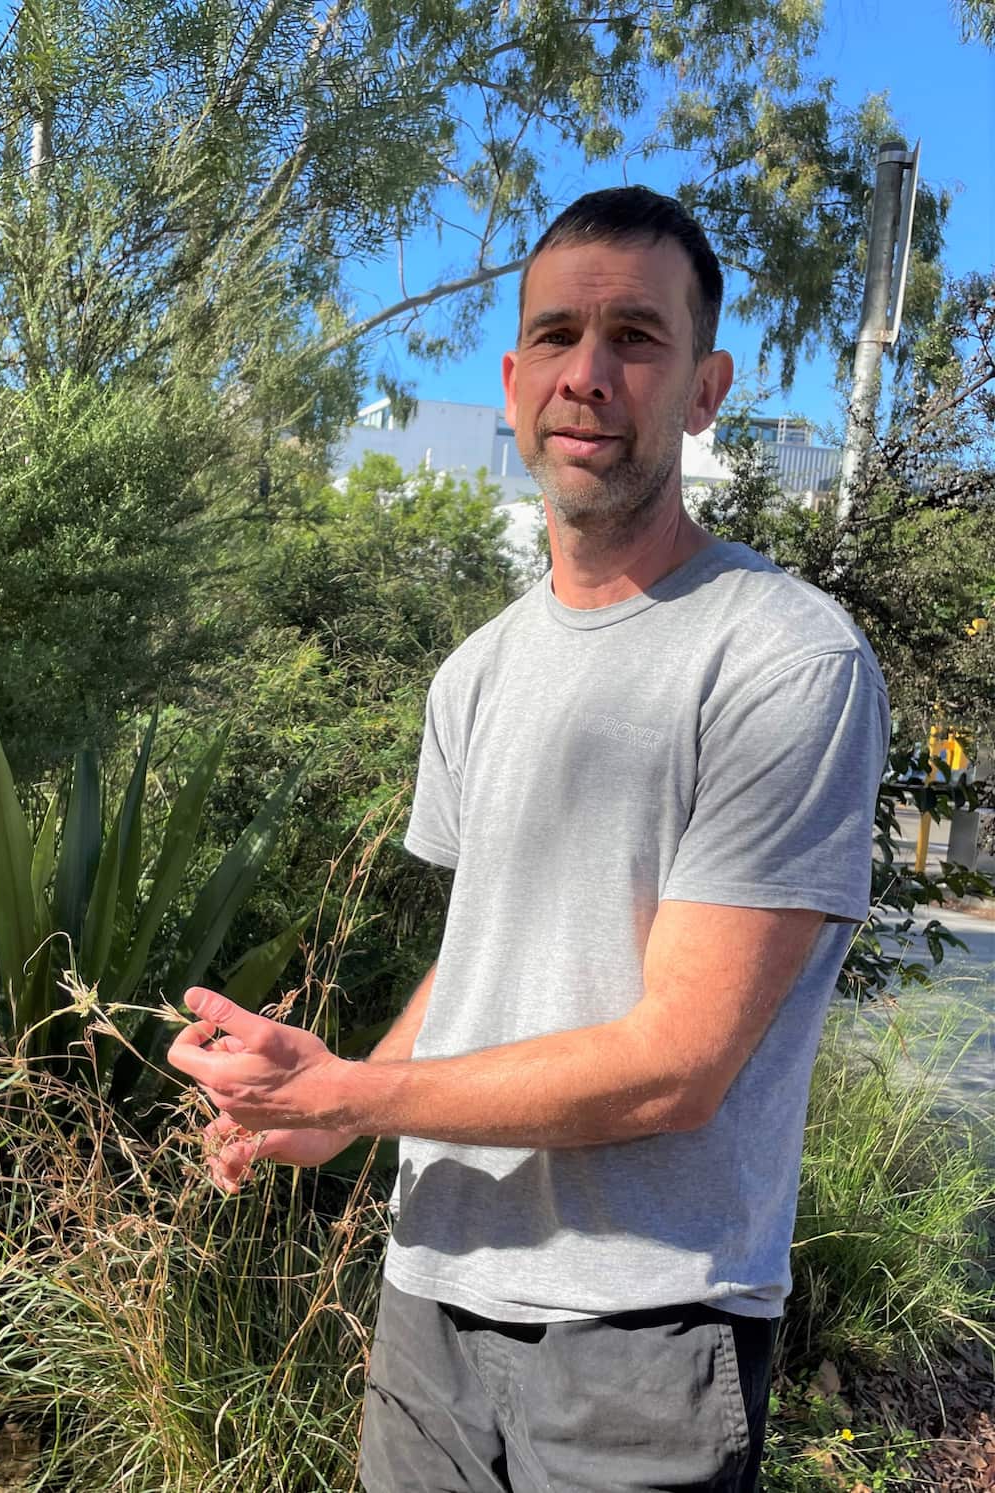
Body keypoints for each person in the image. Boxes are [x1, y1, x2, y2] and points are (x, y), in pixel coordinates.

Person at [168, 185, 890, 1493]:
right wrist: (336, 1101)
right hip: (430, 1300)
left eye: (636, 337)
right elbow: (483, 956)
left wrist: (354, 1096)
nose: (588, 374)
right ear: (511, 384)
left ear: (707, 387)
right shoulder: (478, 673)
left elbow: (677, 1067)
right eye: (556, 335)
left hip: (643, 1331)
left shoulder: (783, 659)